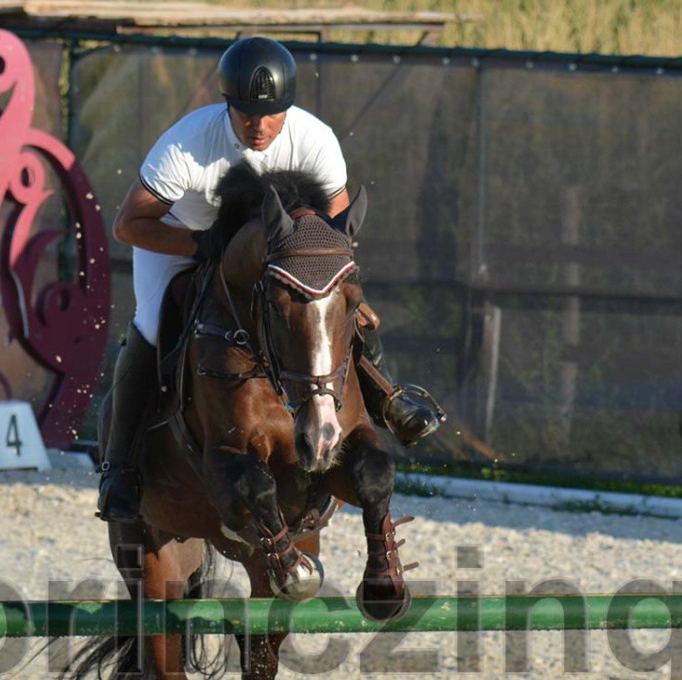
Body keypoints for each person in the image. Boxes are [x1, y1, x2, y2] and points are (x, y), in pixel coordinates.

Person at [96, 36, 446, 524]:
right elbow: (128, 225)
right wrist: (204, 245)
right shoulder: (187, 142)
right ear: (227, 104)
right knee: (152, 325)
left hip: (277, 255)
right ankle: (120, 467)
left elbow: (336, 237)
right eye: (245, 113)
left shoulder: (314, 139)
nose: (258, 126)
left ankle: (388, 402)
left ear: (289, 108)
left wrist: (348, 295)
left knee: (342, 315)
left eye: (271, 114)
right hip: (185, 241)